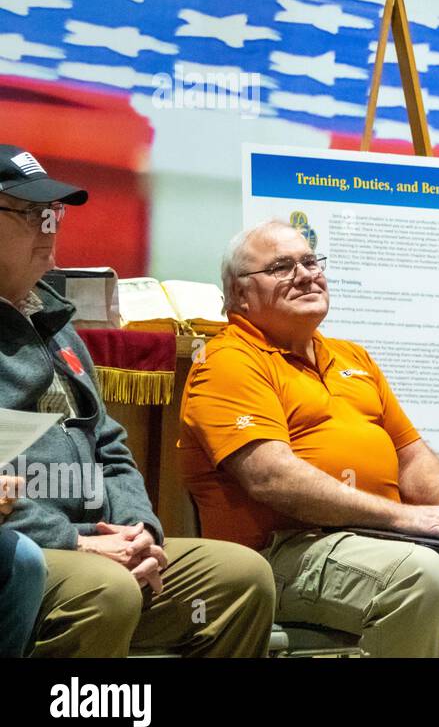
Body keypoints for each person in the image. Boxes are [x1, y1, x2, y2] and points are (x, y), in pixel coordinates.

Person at [179, 219, 439, 657]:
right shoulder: (227, 361)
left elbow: (411, 455)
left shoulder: (352, 356)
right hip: (280, 556)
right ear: (239, 294)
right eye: (281, 267)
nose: (306, 274)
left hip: (383, 544)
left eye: (311, 261)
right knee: (415, 575)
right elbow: (271, 477)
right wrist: (405, 518)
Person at [0, 145, 276, 657]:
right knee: (104, 591)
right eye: (31, 214)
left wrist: (138, 530)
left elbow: (111, 447)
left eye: (53, 214)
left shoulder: (57, 327)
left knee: (240, 577)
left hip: (103, 543)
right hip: (27, 550)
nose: (50, 229)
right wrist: (75, 542)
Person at [0, 477, 44, 657]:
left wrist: (136, 523)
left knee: (25, 557)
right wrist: (78, 538)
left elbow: (116, 464)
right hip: (39, 529)